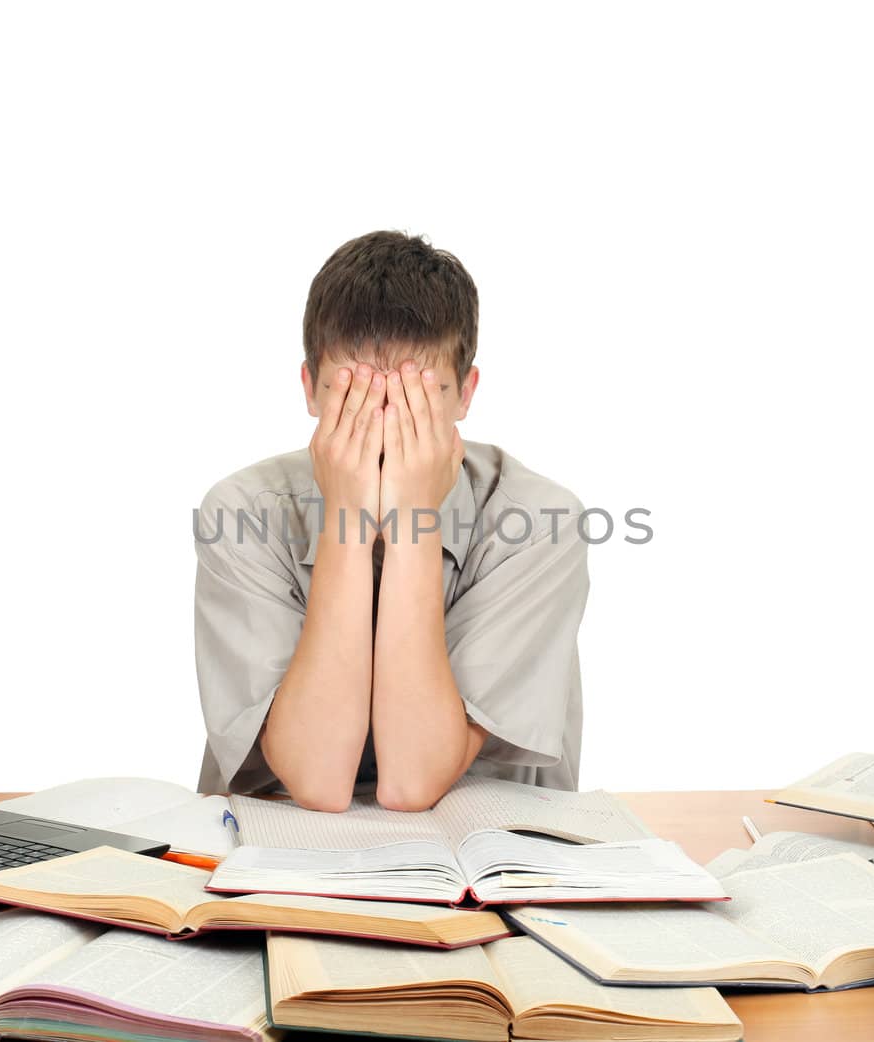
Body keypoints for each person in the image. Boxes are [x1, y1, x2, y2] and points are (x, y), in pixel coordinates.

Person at [193, 230, 589, 811]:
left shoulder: (542, 521)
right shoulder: (241, 512)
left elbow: (411, 782)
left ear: (464, 396)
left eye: (414, 402)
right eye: (352, 397)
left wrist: (412, 523)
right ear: (309, 388)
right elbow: (317, 779)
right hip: (280, 872)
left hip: (478, 878)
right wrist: (349, 520)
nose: (383, 429)